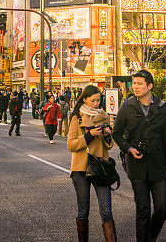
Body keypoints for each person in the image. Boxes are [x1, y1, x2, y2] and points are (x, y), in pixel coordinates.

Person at [112, 69, 166, 242]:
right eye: (134, 83)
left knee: (163, 206)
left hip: (159, 164)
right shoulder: (127, 106)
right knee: (143, 210)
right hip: (136, 165)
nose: (136, 87)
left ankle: (150, 237)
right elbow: (116, 133)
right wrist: (129, 149)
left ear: (150, 86)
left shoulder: (162, 108)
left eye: (140, 84)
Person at [67, 85, 116, 242]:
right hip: (81, 169)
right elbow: (71, 145)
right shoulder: (77, 117)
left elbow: (109, 145)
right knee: (83, 212)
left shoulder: (104, 116)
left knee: (106, 211)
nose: (96, 103)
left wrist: (108, 135)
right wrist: (89, 135)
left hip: (101, 167)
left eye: (98, 100)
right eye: (93, 100)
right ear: (85, 99)